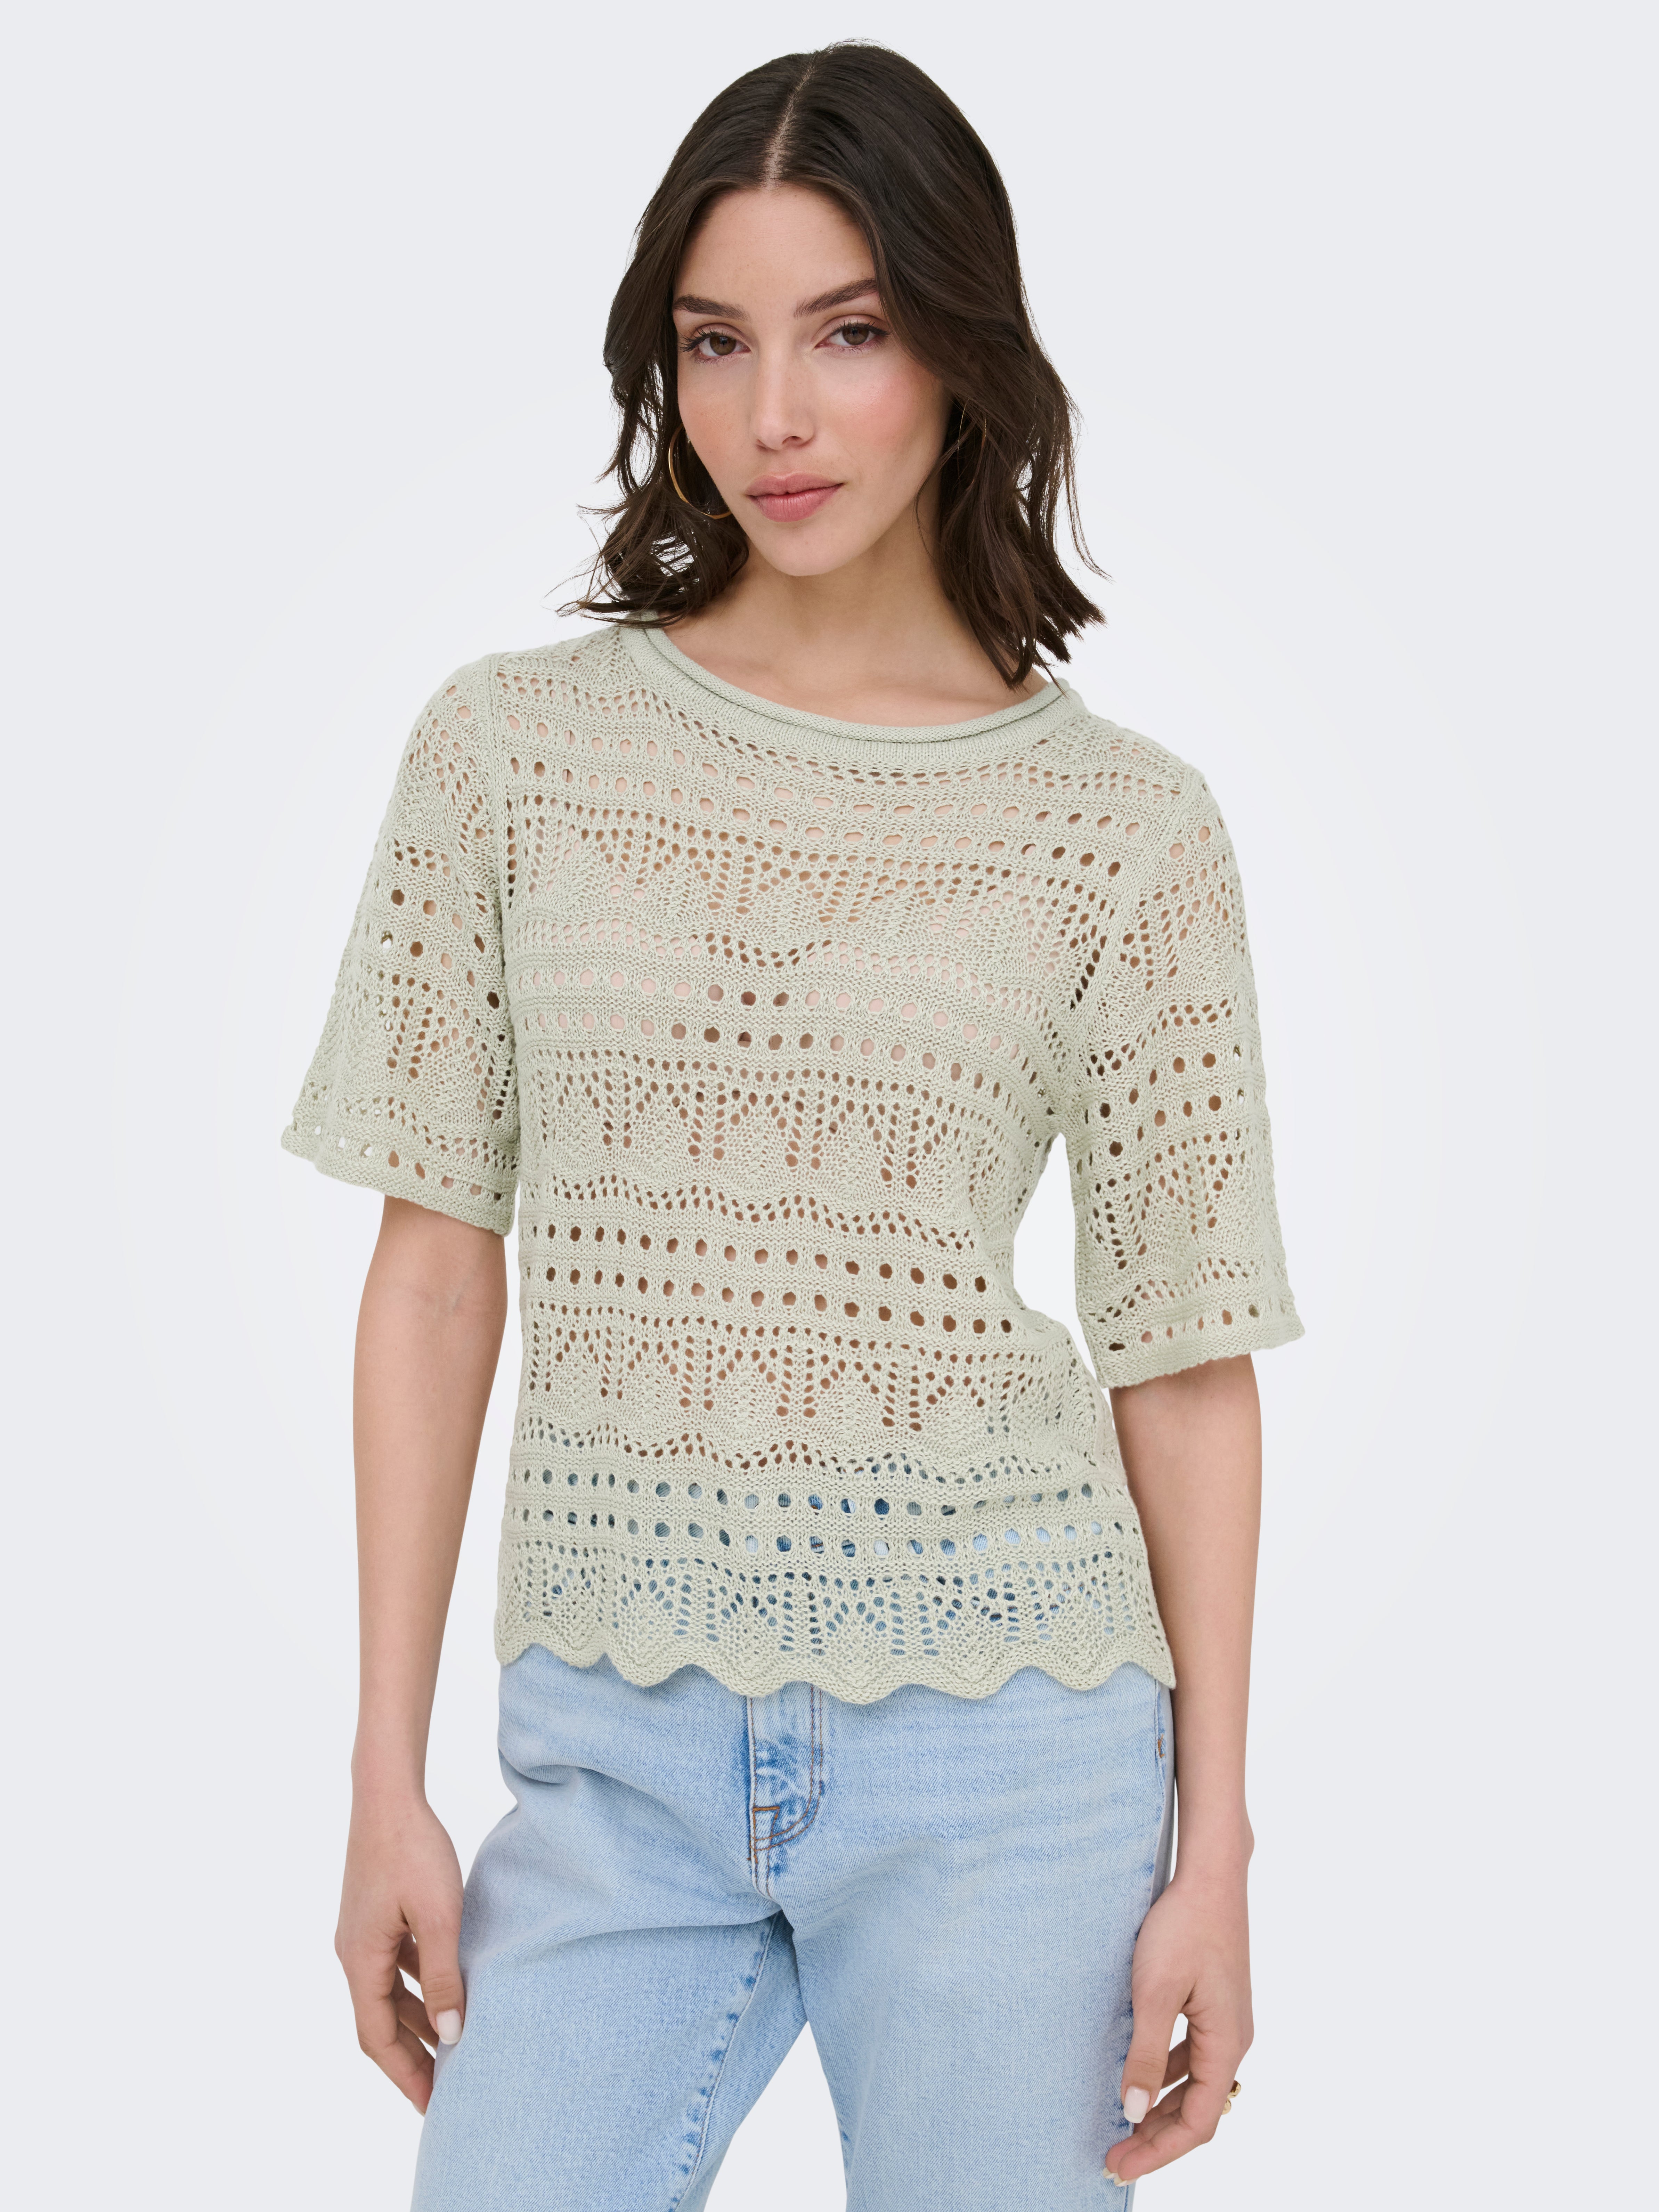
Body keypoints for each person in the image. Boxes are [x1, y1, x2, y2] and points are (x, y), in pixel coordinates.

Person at [282, 42, 1301, 2211]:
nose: (774, 417)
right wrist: (383, 1767)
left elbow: (1183, 1358)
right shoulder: (506, 755)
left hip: (1009, 1741)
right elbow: (434, 1270)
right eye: (714, 342)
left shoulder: (1120, 828)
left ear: (959, 351)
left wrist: (1213, 1840)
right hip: (611, 1742)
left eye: (845, 333)